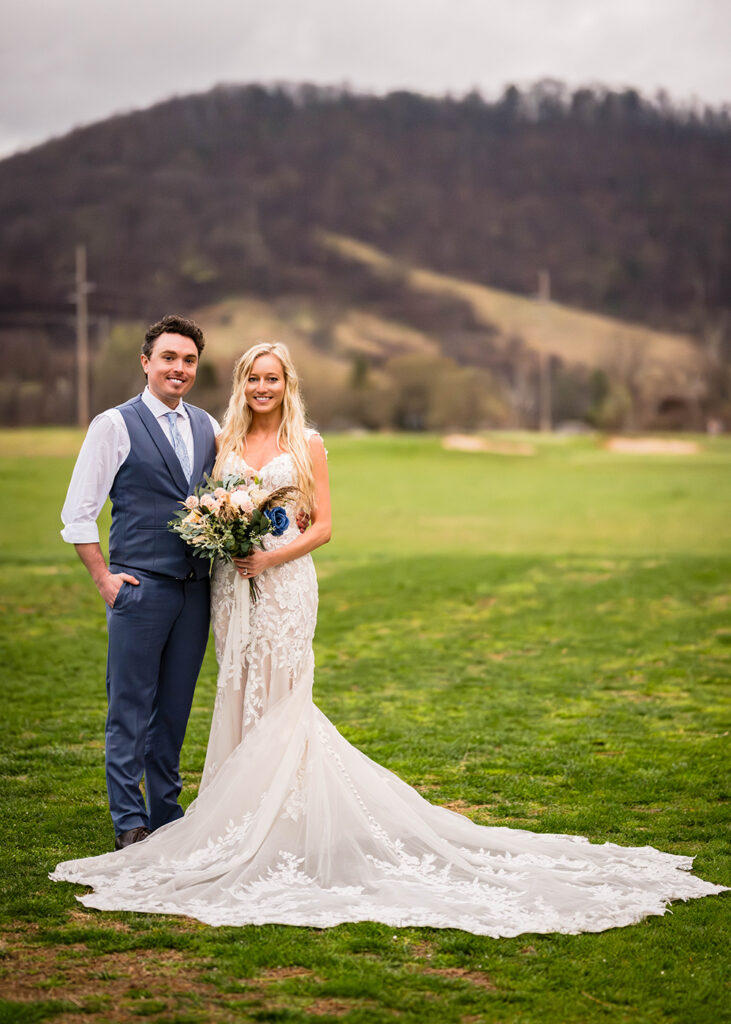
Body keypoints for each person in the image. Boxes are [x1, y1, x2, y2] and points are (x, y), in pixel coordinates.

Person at [52, 343, 726, 935]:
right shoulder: (221, 438)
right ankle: (219, 814)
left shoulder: (305, 441)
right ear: (238, 385)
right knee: (234, 688)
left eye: (272, 379)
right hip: (230, 590)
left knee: (282, 695)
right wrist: (225, 543)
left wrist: (269, 556)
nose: (261, 388)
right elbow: (205, 505)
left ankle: (278, 821)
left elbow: (319, 525)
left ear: (287, 384)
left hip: (281, 584)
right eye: (252, 378)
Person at [60, 314, 219, 851]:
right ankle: (129, 819)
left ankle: (166, 813)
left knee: (174, 710)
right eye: (169, 358)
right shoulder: (114, 424)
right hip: (140, 587)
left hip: (195, 591)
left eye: (189, 360)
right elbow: (79, 512)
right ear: (146, 362)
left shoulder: (207, 426)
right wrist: (103, 577)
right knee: (129, 708)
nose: (179, 368)